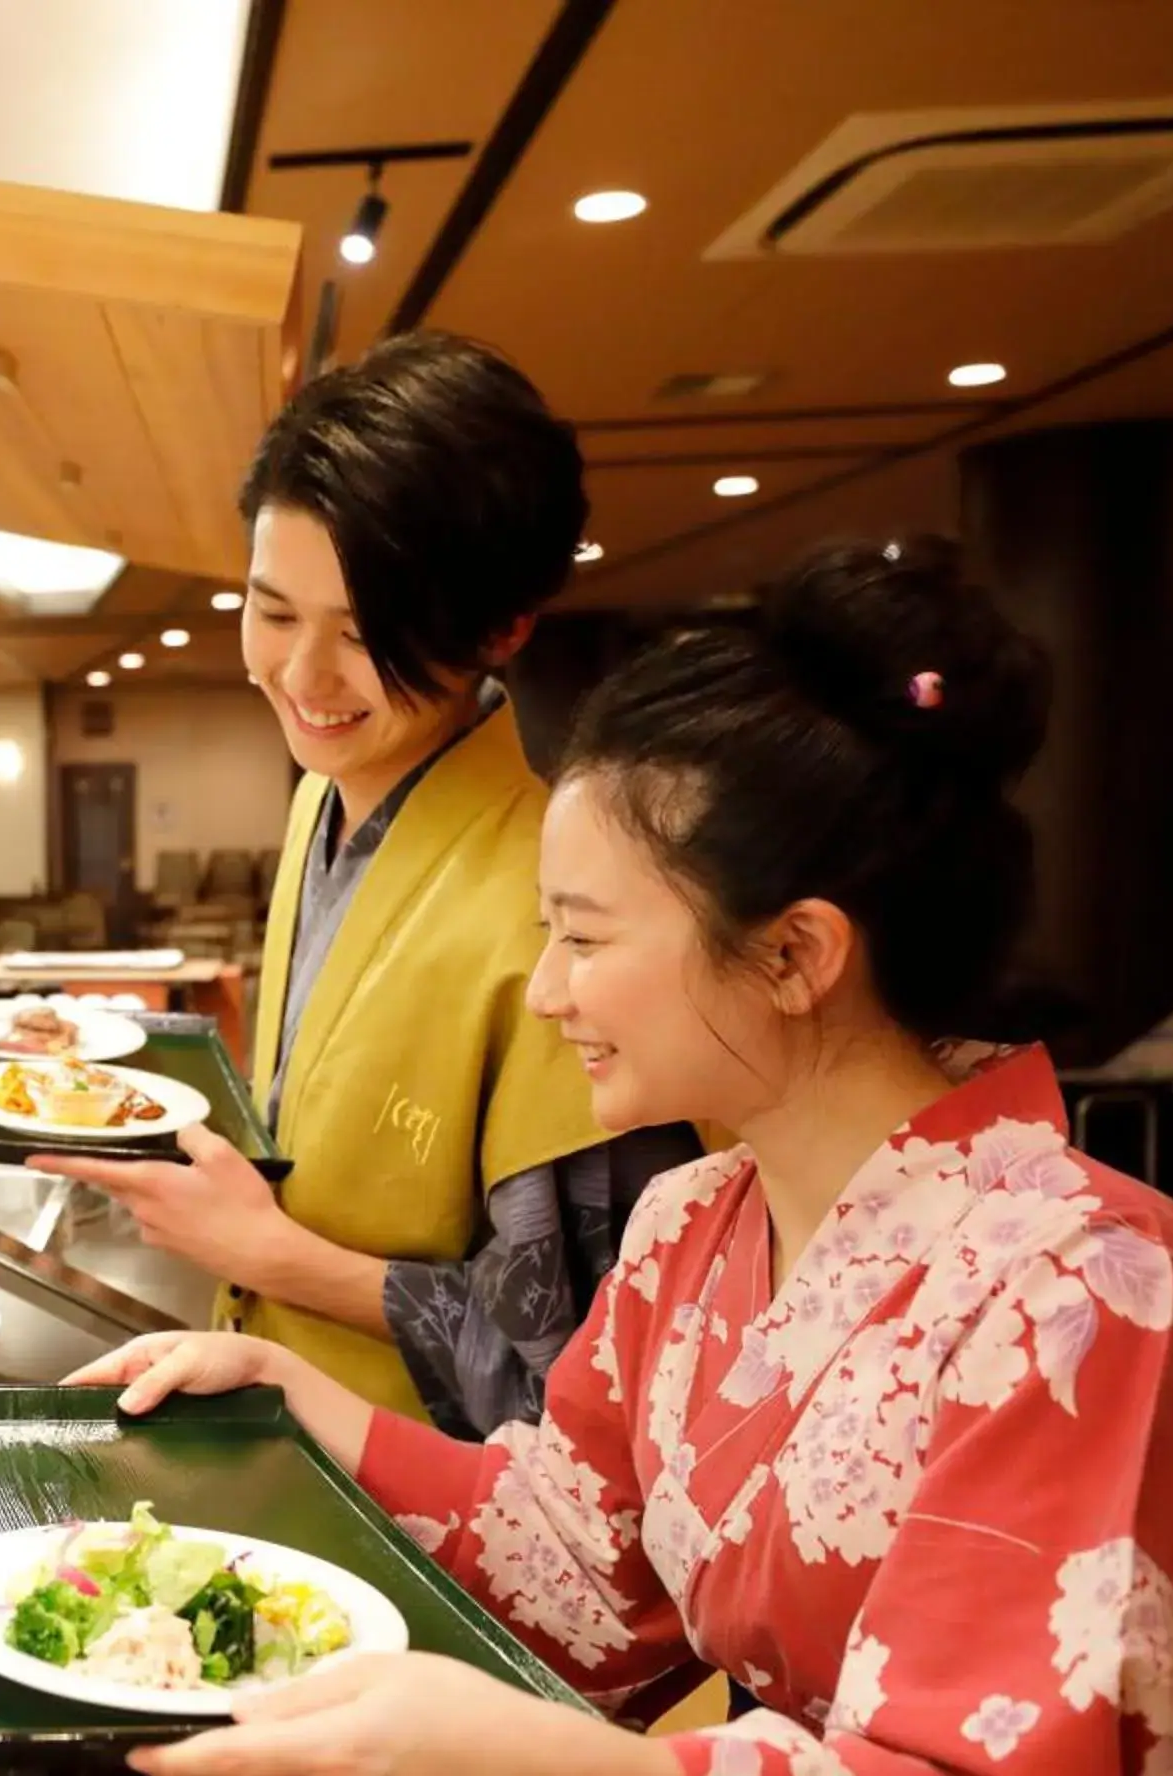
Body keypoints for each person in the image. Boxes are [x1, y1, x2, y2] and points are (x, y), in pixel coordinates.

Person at [70, 541, 1173, 1776]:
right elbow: (575, 1558)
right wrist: (288, 1400)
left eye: (582, 937)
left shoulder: (1083, 1294)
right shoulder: (689, 1225)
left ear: (795, 952)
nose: (550, 990)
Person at [42, 332, 690, 1438]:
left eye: (366, 635)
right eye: (275, 612)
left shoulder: (567, 907)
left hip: (435, 1519)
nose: (302, 678)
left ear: (504, 627)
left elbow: (580, 1363)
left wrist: (271, 1251)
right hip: (282, 1442)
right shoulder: (321, 802)